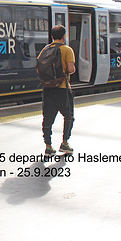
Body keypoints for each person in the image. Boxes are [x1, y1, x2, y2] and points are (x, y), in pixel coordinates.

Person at [39, 25, 76, 155]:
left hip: (48, 88)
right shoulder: (67, 49)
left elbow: (39, 68)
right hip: (62, 88)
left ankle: (48, 146)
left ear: (52, 36)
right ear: (64, 36)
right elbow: (71, 69)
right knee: (68, 116)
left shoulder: (45, 49)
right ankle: (65, 143)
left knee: (47, 118)